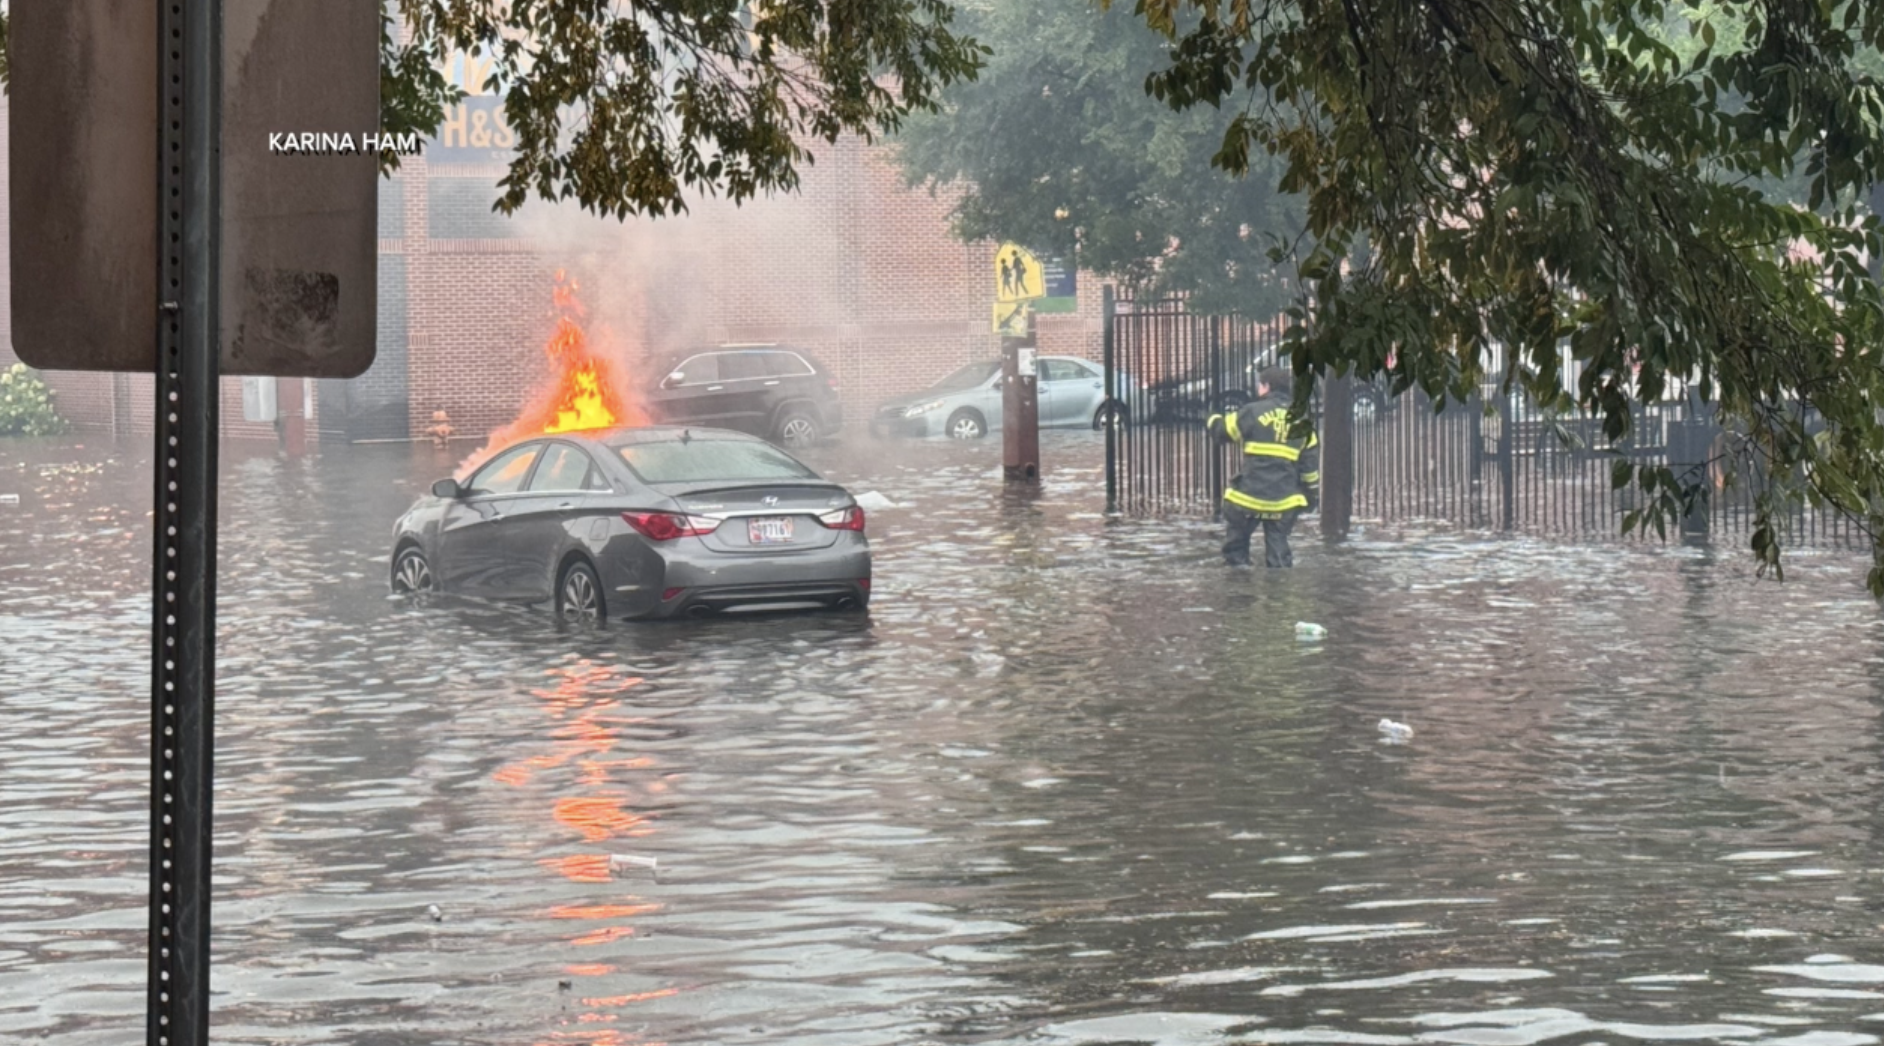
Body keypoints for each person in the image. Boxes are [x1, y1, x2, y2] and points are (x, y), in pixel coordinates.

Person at [1206, 366, 1320, 567]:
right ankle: (1278, 591)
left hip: (1247, 500)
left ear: (1267, 386)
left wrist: (1212, 417)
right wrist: (1311, 498)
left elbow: (1221, 432)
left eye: (1260, 384)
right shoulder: (1303, 422)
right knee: (1279, 558)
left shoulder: (1253, 412)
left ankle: (1238, 587)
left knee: (1236, 552)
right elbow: (1310, 471)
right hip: (1283, 502)